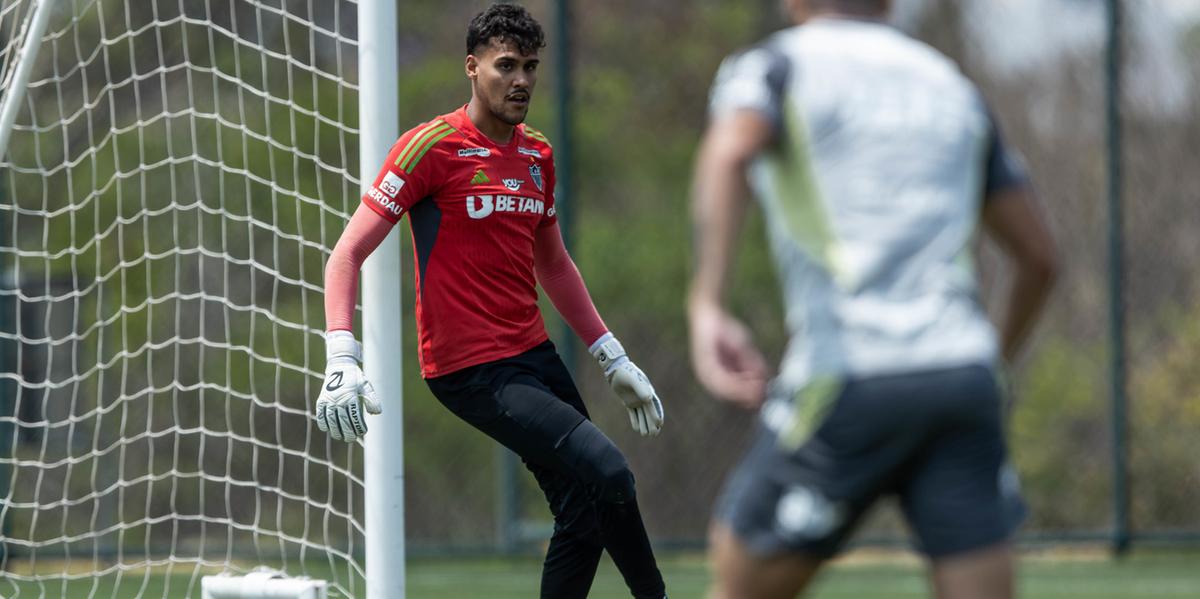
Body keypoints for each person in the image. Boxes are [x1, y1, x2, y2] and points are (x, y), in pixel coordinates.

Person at [687, 1, 1058, 598]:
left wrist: (708, 304)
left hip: (851, 372)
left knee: (737, 578)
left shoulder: (775, 67)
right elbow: (1041, 259)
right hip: (961, 376)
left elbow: (730, 151)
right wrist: (993, 362)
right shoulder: (951, 83)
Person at [314, 4, 666, 598]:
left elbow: (553, 264)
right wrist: (341, 356)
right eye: (507, 65)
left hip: (534, 356)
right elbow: (346, 254)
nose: (522, 79)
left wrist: (612, 356)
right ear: (472, 68)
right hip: (469, 370)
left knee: (584, 514)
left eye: (531, 66)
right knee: (608, 470)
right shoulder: (430, 147)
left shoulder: (538, 156)